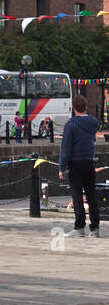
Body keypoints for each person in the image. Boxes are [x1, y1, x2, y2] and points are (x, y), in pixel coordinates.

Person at [59, 94, 100, 238]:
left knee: (77, 196)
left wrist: (62, 167)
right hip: (89, 162)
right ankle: (95, 228)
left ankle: (79, 228)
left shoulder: (71, 124)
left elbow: (66, 148)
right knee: (92, 196)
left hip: (75, 163)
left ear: (74, 108)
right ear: (85, 107)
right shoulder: (93, 123)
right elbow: (94, 122)